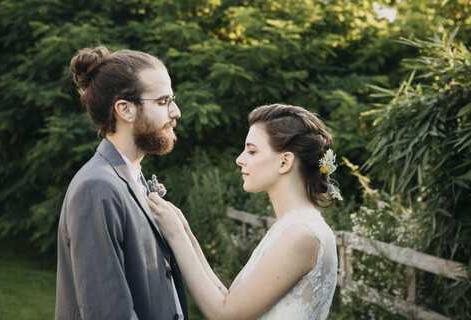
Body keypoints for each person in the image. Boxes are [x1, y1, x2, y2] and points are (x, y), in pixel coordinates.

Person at [147, 103, 340, 320]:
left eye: (252, 150)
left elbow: (225, 315)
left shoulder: (302, 234)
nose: (240, 159)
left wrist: (176, 236)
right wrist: (185, 231)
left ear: (284, 162)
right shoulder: (288, 227)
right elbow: (228, 299)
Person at [55, 45, 187, 320]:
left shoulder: (130, 178)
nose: (176, 112)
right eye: (163, 102)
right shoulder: (96, 187)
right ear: (125, 110)